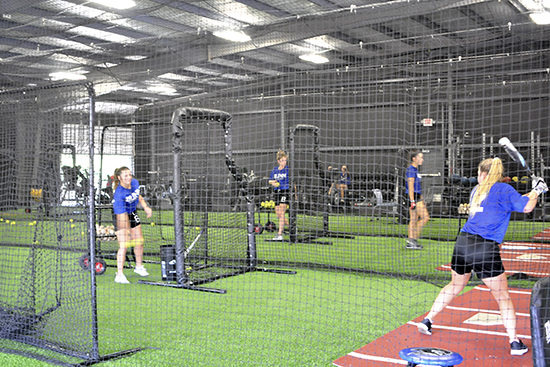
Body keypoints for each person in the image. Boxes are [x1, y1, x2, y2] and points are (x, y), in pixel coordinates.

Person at [417, 157, 547, 356]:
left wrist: (533, 191)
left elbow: (513, 203)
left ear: (483, 174)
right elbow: (527, 206)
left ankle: (428, 320)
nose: (477, 176)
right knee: (503, 297)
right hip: (484, 248)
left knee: (454, 285)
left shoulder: (477, 191)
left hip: (462, 244)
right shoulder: (503, 190)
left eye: (478, 173)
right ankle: (514, 342)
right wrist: (537, 190)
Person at [111, 167, 153, 284]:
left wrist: (145, 207)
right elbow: (122, 215)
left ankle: (139, 267)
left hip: (132, 212)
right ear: (119, 178)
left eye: (130, 175)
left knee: (139, 240)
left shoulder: (134, 182)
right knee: (124, 245)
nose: (129, 177)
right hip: (120, 215)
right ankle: (119, 275)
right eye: (125, 176)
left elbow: (138, 196)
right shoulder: (119, 194)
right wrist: (127, 229)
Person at [406, 151, 429, 250]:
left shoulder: (415, 170)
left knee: (414, 219)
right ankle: (413, 238)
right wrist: (412, 201)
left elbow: (417, 186)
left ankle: (411, 242)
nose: (422, 160)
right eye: (421, 157)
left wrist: (421, 198)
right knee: (425, 217)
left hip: (417, 196)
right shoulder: (411, 169)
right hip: (413, 197)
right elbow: (410, 186)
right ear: (414, 159)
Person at [268, 151, 290, 241]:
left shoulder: (288, 170)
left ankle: (279, 234)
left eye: (285, 160)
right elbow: (270, 180)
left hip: (285, 191)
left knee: (282, 213)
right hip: (277, 192)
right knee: (278, 214)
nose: (284, 162)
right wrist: (273, 182)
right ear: (278, 161)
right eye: (282, 160)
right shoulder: (275, 170)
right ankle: (292, 228)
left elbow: (293, 182)